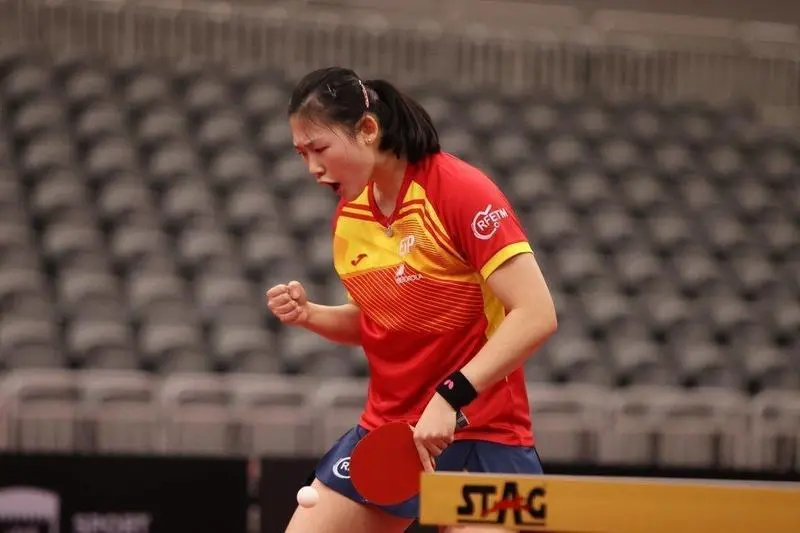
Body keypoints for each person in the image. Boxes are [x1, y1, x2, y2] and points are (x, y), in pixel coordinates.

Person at [266, 66, 558, 533]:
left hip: (482, 433)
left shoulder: (459, 192)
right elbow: (379, 322)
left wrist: (450, 396)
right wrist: (311, 316)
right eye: (301, 154)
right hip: (389, 435)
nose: (312, 169)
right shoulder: (349, 218)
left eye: (318, 149)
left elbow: (537, 314)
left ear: (367, 129)